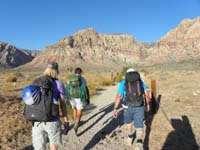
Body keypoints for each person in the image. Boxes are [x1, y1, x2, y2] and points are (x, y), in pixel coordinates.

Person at [32, 62, 69, 150]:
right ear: (56, 71)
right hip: (53, 120)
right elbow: (62, 104)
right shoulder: (58, 83)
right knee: (54, 145)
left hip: (37, 120)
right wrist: (66, 120)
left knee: (39, 147)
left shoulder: (36, 82)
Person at [113, 68, 150, 150]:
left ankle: (130, 138)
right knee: (139, 124)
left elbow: (119, 96)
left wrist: (115, 108)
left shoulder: (123, 82)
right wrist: (147, 104)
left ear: (127, 74)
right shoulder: (140, 81)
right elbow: (147, 93)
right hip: (139, 106)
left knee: (128, 122)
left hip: (127, 107)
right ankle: (139, 143)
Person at [65, 67, 89, 134]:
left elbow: (67, 88)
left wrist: (67, 97)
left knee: (74, 109)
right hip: (79, 98)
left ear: (75, 72)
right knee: (79, 110)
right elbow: (85, 89)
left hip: (72, 98)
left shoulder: (70, 79)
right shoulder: (83, 79)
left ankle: (76, 121)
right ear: (80, 72)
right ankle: (77, 123)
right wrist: (87, 98)